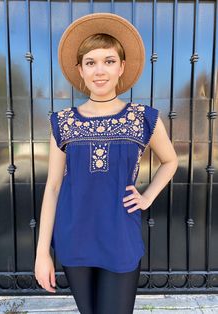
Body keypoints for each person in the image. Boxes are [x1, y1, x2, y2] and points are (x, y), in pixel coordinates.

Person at [34, 13, 178, 314]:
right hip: (74, 239)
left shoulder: (143, 118)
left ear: (121, 67)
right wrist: (41, 253)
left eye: (109, 61)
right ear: (80, 70)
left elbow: (170, 161)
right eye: (91, 62)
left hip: (120, 239)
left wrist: (147, 196)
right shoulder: (63, 122)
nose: (100, 70)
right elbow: (54, 187)